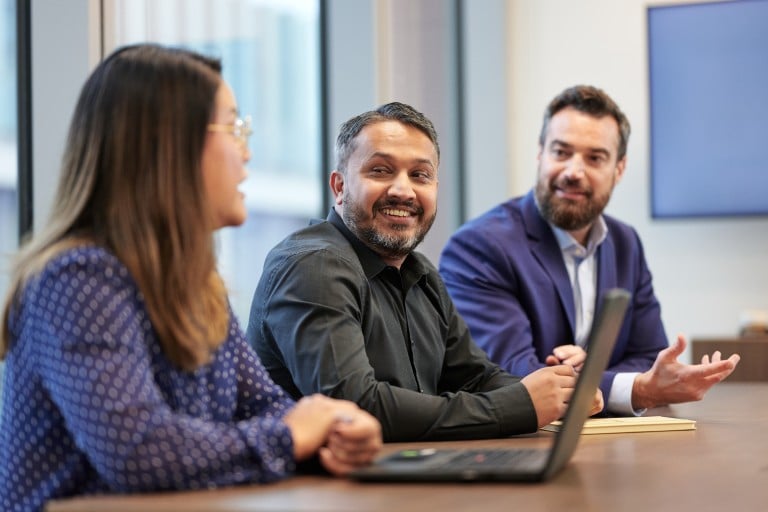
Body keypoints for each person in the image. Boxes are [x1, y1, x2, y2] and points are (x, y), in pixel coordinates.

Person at [0, 44, 381, 512]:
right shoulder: (77, 278)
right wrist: (291, 436)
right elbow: (139, 452)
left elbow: (262, 404)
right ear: (168, 145)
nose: (247, 150)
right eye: (234, 128)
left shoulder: (198, 284)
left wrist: (332, 431)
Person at [247, 101, 602, 443]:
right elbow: (354, 406)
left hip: (401, 479)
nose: (403, 190)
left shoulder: (420, 272)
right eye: (381, 170)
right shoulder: (313, 265)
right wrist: (519, 405)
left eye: (420, 175)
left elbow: (475, 377)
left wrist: (561, 392)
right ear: (339, 187)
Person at [439, 84, 740, 415]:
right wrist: (634, 389)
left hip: (606, 444)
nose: (573, 171)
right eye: (561, 152)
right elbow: (510, 374)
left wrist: (591, 377)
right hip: (520, 446)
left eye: (595, 158)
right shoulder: (480, 246)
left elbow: (648, 356)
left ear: (619, 169)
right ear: (540, 154)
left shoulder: (626, 244)